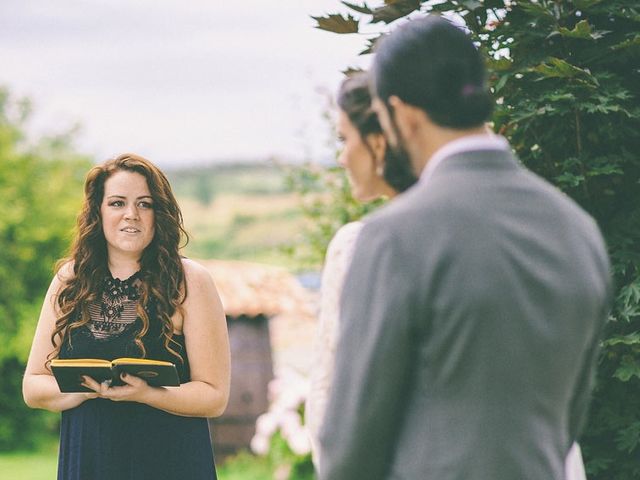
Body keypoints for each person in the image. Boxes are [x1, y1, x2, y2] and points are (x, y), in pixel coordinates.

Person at [318, 16, 611, 480]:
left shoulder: (394, 236)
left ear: (402, 113)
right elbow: (568, 415)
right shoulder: (577, 228)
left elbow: (351, 445)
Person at [23, 153, 230, 480]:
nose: (131, 214)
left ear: (159, 214)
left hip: (170, 463)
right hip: (89, 461)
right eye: (117, 203)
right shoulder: (69, 280)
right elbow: (33, 386)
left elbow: (214, 396)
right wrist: (85, 389)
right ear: (98, 212)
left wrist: (147, 394)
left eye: (145, 204)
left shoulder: (191, 281)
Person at [305, 72, 416, 466]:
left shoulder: (358, 246)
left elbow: (331, 392)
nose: (341, 157)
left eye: (343, 139)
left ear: (378, 142)